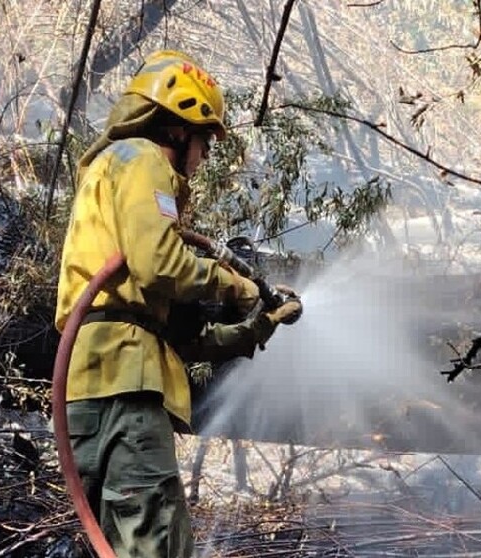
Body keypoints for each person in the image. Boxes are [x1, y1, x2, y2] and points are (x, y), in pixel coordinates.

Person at [54, 50, 300, 557]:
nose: (205, 155)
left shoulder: (108, 177)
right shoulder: (144, 160)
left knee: (110, 542)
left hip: (90, 382)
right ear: (178, 129)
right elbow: (160, 263)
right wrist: (237, 286)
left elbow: (181, 342)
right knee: (155, 544)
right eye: (205, 140)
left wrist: (258, 328)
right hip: (127, 395)